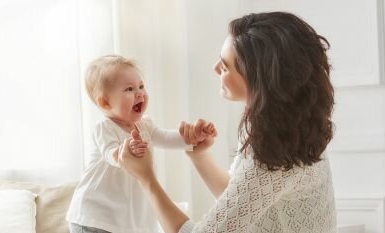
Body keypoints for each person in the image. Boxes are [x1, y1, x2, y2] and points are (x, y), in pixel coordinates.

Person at [118, 12, 337, 233]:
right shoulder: (290, 130)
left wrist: (146, 178)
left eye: (224, 67)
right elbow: (242, 201)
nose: (215, 69)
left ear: (257, 79)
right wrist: (199, 156)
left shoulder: (280, 154)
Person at [66, 55, 217, 233]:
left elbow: (166, 138)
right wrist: (124, 151)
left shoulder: (145, 125)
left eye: (141, 86)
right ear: (105, 102)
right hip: (94, 217)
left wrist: (191, 137)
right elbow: (110, 153)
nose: (139, 93)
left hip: (120, 219)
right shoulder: (105, 127)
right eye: (129, 89)